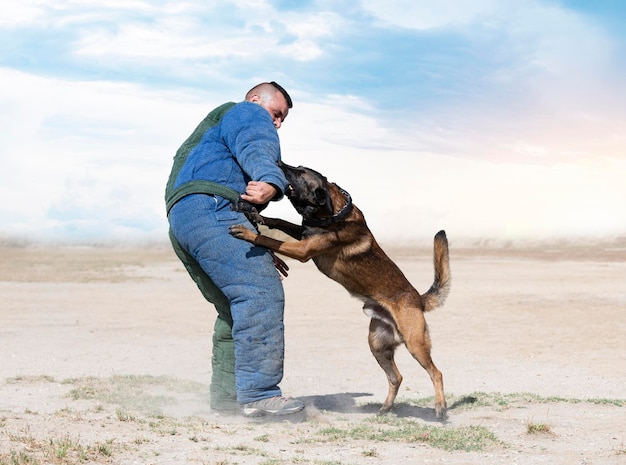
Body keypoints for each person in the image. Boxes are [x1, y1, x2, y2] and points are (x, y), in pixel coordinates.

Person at [164, 81, 304, 417]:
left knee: (233, 307)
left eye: (281, 119)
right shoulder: (246, 112)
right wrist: (271, 180)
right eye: (276, 113)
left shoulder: (208, 136)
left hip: (186, 219)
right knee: (259, 294)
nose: (277, 123)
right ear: (257, 100)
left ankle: (228, 401)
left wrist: (256, 241)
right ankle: (259, 395)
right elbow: (257, 144)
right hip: (212, 209)